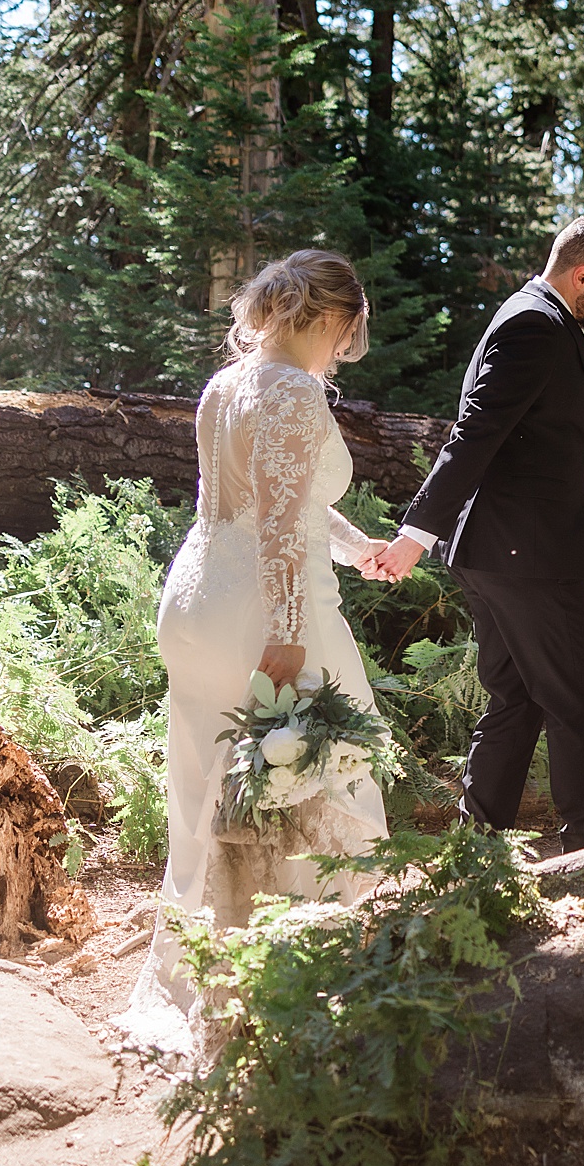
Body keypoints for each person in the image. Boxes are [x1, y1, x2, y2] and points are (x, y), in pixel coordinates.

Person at [117, 250, 392, 1056]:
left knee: (204, 790)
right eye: (352, 327)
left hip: (198, 598)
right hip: (264, 614)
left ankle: (205, 972)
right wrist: (290, 633)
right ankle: (305, 980)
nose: (349, 343)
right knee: (331, 775)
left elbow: (258, 500)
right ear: (335, 319)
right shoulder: (297, 391)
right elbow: (276, 524)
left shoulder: (226, 385)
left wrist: (354, 544)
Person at [370, 214, 584, 855]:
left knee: (515, 698)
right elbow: (474, 436)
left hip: (504, 551)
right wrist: (415, 532)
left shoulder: (539, 317)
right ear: (581, 273)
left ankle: (477, 845)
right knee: (575, 701)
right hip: (524, 555)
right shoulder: (534, 325)